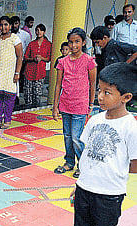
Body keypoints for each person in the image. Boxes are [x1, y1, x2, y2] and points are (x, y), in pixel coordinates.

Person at [56, 62, 137, 226]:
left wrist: (112, 174)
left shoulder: (130, 127)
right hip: (84, 191)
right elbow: (88, 156)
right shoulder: (94, 120)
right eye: (99, 91)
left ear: (126, 97)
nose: (99, 96)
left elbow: (134, 163)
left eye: (106, 92)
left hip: (109, 196)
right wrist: (80, 184)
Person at [52, 28, 97, 179]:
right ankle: (69, 162)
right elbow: (58, 85)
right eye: (71, 42)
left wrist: (91, 104)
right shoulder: (62, 61)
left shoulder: (89, 61)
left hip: (80, 105)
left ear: (84, 42)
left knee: (76, 138)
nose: (73, 45)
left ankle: (82, 165)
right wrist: (55, 107)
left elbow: (92, 83)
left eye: (77, 41)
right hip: (65, 105)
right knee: (67, 136)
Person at [0, 16, 23, 129]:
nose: (3, 27)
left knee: (9, 96)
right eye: (1, 25)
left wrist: (17, 73)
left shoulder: (15, 38)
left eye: (6, 24)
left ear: (10, 26)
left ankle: (7, 119)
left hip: (9, 73)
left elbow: (20, 56)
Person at [23, 24, 52, 106]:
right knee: (28, 95)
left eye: (40, 30)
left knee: (37, 94)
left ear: (44, 32)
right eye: (37, 30)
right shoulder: (32, 44)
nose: (38, 32)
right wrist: (33, 59)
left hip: (40, 73)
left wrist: (41, 58)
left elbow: (49, 58)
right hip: (29, 72)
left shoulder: (48, 44)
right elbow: (25, 57)